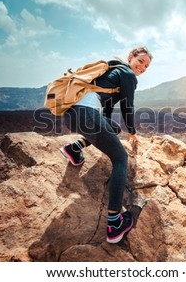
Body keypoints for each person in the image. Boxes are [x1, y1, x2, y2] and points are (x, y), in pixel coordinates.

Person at [59, 46, 153, 243]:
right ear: (131, 56)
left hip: (71, 115)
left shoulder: (113, 70)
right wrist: (133, 131)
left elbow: (107, 112)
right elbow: (128, 105)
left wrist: (114, 129)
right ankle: (115, 224)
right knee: (120, 158)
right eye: (141, 61)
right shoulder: (127, 73)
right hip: (86, 114)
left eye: (146, 65)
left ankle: (73, 148)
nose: (142, 67)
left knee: (112, 129)